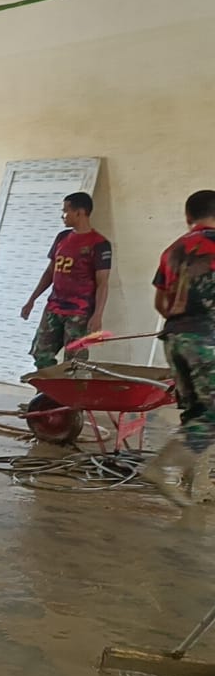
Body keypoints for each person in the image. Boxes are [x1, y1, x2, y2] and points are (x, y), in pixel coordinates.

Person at [140, 190, 215, 506]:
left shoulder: (172, 250)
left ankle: (187, 484)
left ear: (188, 218)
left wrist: (181, 326)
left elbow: (161, 301)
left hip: (174, 339)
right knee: (210, 415)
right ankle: (161, 468)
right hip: (207, 341)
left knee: (194, 412)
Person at [20, 192, 112, 370]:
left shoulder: (99, 244)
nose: (63, 215)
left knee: (75, 360)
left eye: (66, 211)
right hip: (54, 307)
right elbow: (50, 272)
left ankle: (69, 396)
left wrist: (98, 314)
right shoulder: (62, 238)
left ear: (80, 212)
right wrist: (32, 300)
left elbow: (103, 282)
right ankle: (46, 394)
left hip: (79, 312)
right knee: (41, 353)